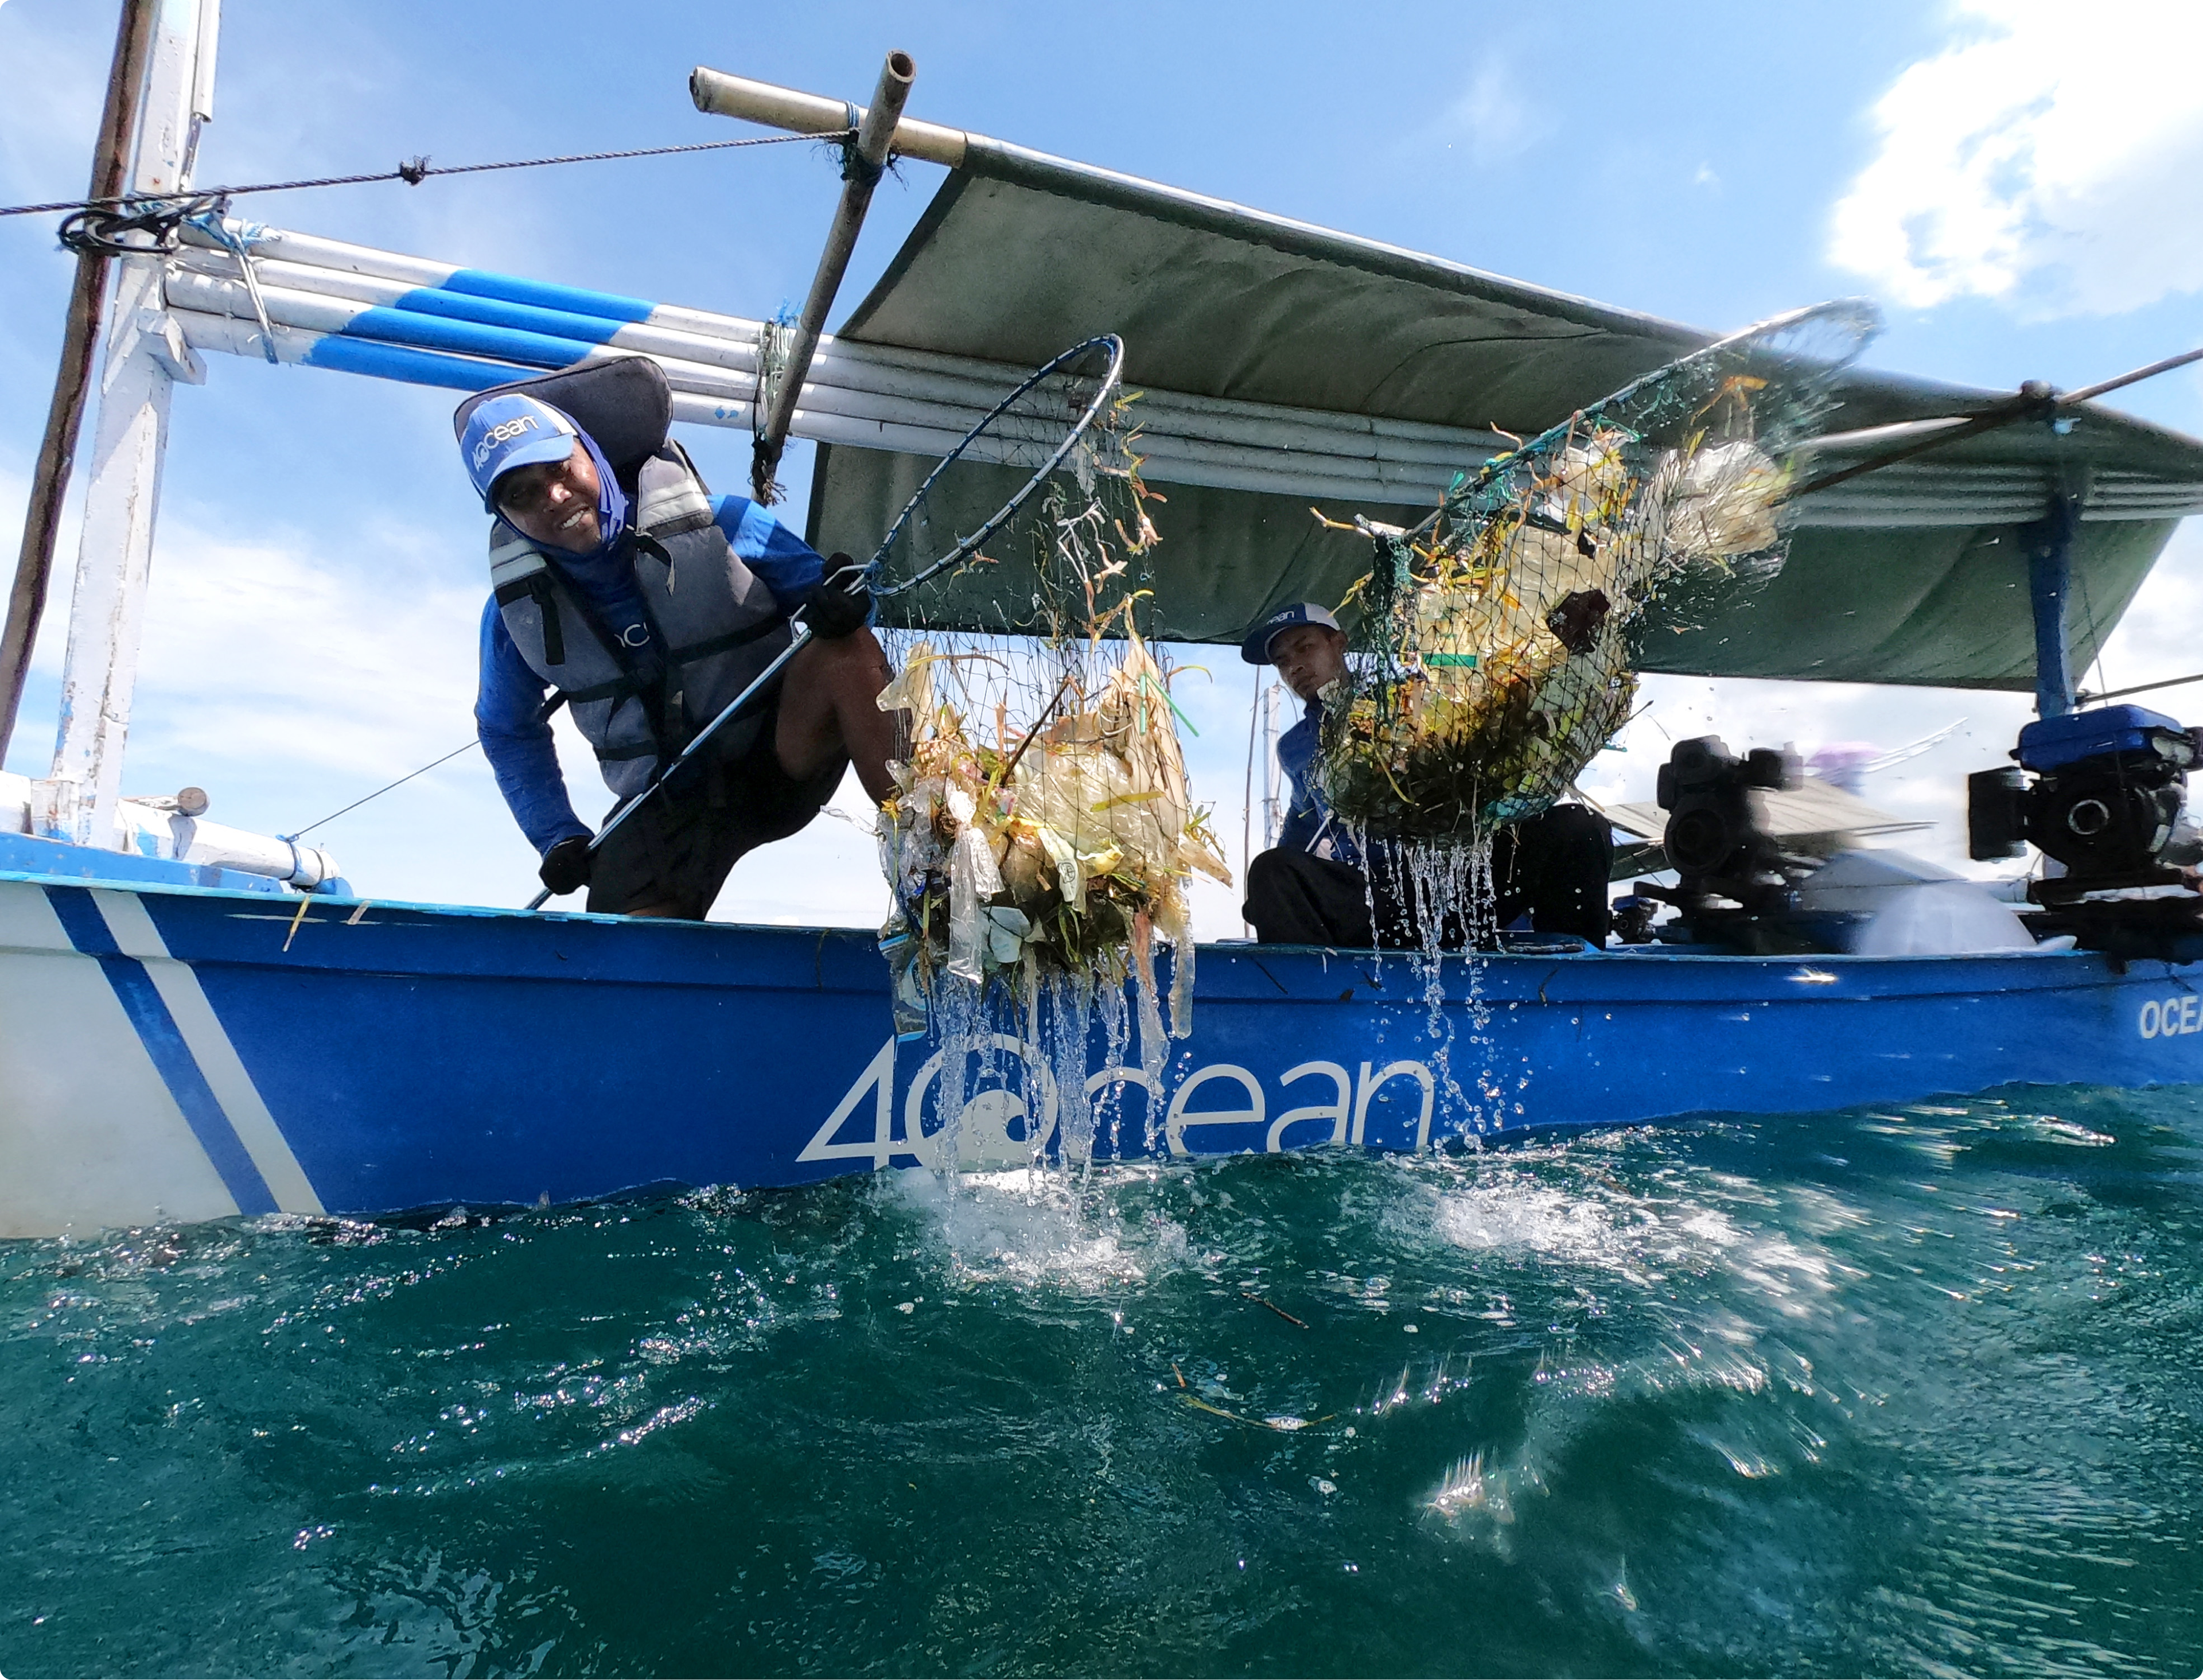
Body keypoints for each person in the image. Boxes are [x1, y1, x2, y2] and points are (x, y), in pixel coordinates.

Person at [456, 356, 897, 919]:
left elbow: (851, 601)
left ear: (590, 452)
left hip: (779, 758)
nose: (555, 497)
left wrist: (849, 598)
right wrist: (556, 834)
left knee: (842, 646)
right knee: (619, 966)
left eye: (560, 469)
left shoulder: (727, 523)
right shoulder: (509, 617)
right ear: (505, 518)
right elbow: (506, 728)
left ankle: (938, 856)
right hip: (664, 805)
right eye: (522, 495)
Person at [1237, 602, 1613, 947]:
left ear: (1338, 643)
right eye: (1283, 661)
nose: (1295, 667)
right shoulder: (1294, 747)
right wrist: (1269, 893)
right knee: (1272, 870)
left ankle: (1576, 980)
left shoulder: (1409, 700)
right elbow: (1301, 829)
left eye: (1305, 648)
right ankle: (1320, 1002)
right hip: (1377, 902)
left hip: (1459, 883)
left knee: (1577, 825)